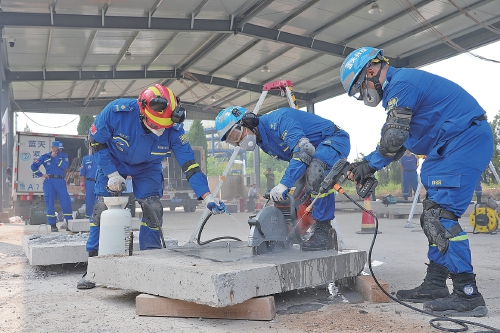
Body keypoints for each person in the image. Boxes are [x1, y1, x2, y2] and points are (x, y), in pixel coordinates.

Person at [340, 46, 492, 317]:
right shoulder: (400, 88)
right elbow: (398, 143)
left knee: (441, 218)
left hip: (463, 140)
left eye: (359, 88)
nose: (363, 95)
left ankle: (468, 294)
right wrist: (368, 167)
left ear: (371, 72)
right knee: (431, 216)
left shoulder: (401, 84)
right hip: (448, 145)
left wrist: (368, 164)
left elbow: (392, 139)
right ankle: (435, 284)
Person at [77, 84, 226, 289]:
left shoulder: (173, 128)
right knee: (102, 208)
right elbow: (96, 142)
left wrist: (207, 196)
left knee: (153, 209)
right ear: (142, 110)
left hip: (147, 167)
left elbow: (189, 164)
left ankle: (152, 261)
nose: (158, 130)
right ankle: (93, 265)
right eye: (154, 124)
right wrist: (111, 174)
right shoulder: (116, 112)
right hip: (113, 162)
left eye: (162, 127)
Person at [215, 106, 350, 251]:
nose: (238, 142)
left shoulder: (280, 121)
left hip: (334, 140)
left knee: (316, 174)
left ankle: (323, 231)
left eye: (236, 135)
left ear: (248, 121)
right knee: (296, 192)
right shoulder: (263, 142)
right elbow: (297, 159)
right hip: (315, 152)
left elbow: (304, 150)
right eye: (232, 141)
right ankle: (294, 228)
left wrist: (284, 184)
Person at [30, 140, 74, 232]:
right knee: (49, 203)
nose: (60, 150)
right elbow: (33, 166)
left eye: (61, 149)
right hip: (49, 181)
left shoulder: (63, 156)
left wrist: (56, 158)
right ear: (53, 148)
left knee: (66, 202)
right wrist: (41, 174)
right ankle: (53, 225)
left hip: (60, 181)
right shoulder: (45, 156)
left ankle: (69, 223)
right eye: (58, 148)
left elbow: (64, 166)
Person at [79, 141, 98, 223]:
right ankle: (88, 221)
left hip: (100, 183)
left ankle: (99, 221)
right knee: (89, 202)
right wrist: (82, 184)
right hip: (90, 183)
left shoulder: (103, 157)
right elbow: (82, 173)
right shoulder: (86, 159)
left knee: (101, 202)